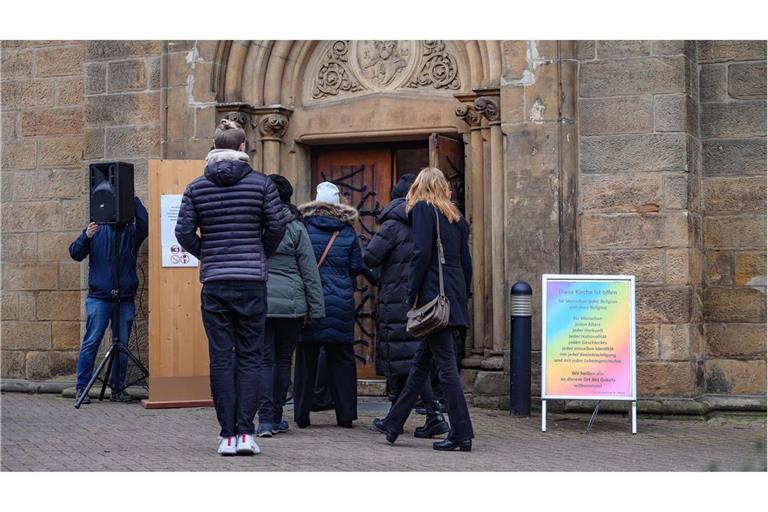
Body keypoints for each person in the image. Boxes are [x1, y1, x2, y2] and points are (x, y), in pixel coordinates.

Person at [175, 119, 286, 456]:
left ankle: (226, 436)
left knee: (222, 358)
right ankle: (245, 434)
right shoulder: (262, 184)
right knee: (251, 358)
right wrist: (260, 252)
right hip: (252, 282)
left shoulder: (196, 188)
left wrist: (206, 253)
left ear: (213, 149)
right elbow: (277, 225)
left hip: (216, 283)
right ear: (242, 148)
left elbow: (183, 233)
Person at [372, 167, 475, 452]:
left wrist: (411, 293)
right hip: (451, 298)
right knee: (420, 365)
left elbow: (420, 255)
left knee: (445, 370)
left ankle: (461, 433)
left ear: (420, 186)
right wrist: (462, 296)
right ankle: (394, 423)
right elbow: (466, 264)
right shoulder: (456, 218)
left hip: (432, 297)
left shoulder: (422, 210)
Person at [363, 174, 449, 439]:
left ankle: (433, 414)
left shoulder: (393, 226)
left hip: (397, 299)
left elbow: (369, 257)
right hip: (425, 298)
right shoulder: (437, 220)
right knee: (413, 359)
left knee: (410, 362)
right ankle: (397, 418)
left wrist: (381, 279)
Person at [256, 174, 325, 438]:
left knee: (263, 361)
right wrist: (316, 308)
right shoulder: (296, 227)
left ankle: (263, 420)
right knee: (283, 360)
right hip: (292, 304)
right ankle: (275, 417)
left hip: (260, 299)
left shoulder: (256, 224)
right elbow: (309, 271)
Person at [294, 182, 364, 429]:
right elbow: (357, 264)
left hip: (310, 302)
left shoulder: (303, 227)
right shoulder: (346, 231)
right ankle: (345, 416)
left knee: (306, 360)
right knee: (343, 360)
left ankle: (301, 415)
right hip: (341, 302)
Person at [69, 198, 148, 405]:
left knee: (121, 345)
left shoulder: (130, 233)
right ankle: (82, 389)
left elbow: (145, 223)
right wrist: (86, 237)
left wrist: (129, 196)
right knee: (91, 342)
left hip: (124, 297)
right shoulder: (95, 229)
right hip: (99, 297)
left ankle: (118, 389)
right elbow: (75, 253)